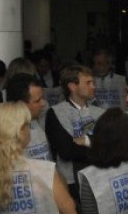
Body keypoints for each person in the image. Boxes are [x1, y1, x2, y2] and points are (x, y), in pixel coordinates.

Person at [45, 65, 105, 199]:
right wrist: (99, 148)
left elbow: (111, 143)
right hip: (70, 182)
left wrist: (86, 141)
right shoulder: (55, 112)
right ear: (72, 86)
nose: (94, 86)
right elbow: (66, 151)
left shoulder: (100, 112)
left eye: (93, 82)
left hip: (99, 178)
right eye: (88, 83)